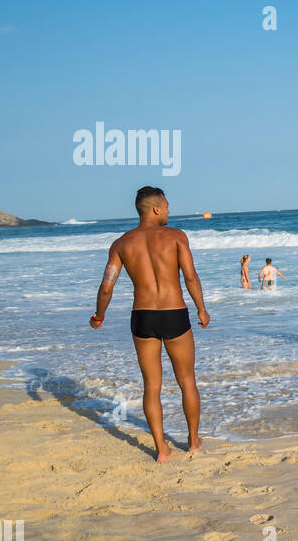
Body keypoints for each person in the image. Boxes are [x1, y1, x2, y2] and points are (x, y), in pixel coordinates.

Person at [90, 186, 210, 463]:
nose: (169, 210)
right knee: (187, 381)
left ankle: (162, 449)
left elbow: (107, 286)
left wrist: (99, 316)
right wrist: (202, 309)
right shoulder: (177, 237)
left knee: (151, 386)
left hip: (142, 316)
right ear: (156, 208)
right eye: (166, 206)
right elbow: (190, 277)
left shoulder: (121, 244)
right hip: (174, 313)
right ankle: (193, 441)